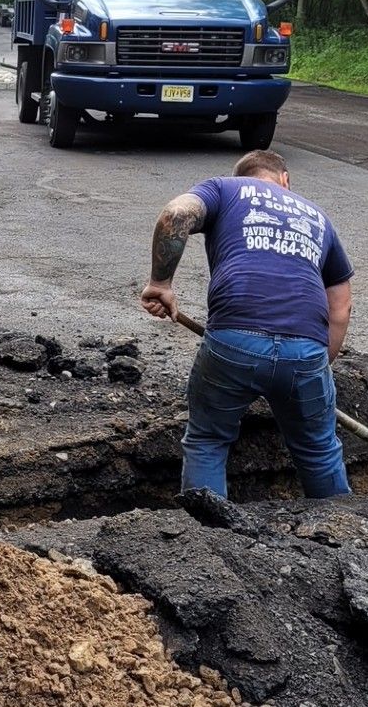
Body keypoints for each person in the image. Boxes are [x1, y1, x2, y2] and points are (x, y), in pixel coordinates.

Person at [139, 148, 354, 499]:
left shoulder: (225, 189)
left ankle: (208, 542)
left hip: (234, 341)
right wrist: (313, 368)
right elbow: (341, 306)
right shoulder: (317, 216)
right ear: (286, 180)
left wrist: (160, 283)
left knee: (208, 439)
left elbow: (177, 213)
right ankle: (344, 537)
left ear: (242, 176)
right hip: (306, 349)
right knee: (318, 449)